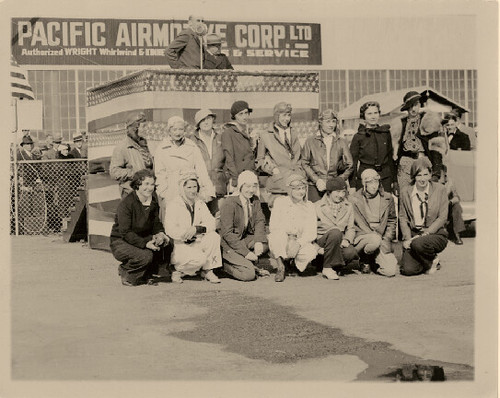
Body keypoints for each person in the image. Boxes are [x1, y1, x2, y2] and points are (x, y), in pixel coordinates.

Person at [109, 169, 173, 286]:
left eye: (152, 184)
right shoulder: (127, 203)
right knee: (145, 256)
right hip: (121, 241)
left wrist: (160, 233)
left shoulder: (152, 201)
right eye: (146, 184)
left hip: (141, 237)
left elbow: (156, 223)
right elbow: (125, 232)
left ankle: (150, 273)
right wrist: (145, 244)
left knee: (167, 242)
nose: (150, 188)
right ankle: (126, 271)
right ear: (138, 185)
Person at [164, 171, 222, 284]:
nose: (192, 190)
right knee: (200, 259)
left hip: (197, 240)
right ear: (182, 188)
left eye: (195, 187)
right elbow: (170, 229)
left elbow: (211, 223)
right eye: (189, 187)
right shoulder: (174, 204)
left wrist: (197, 229)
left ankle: (207, 270)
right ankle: (176, 270)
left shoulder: (199, 202)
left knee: (213, 237)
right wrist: (186, 234)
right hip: (181, 244)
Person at [399, 158, 448, 276]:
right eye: (419, 175)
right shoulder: (405, 191)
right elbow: (402, 217)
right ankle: (429, 260)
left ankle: (430, 257)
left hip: (435, 234)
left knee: (418, 244)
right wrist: (406, 238)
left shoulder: (440, 189)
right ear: (413, 176)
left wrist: (426, 233)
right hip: (414, 234)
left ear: (430, 174)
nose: (422, 179)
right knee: (408, 270)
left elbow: (442, 217)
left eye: (426, 174)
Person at [220, 170, 270, 281]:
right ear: (240, 186)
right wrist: (246, 253)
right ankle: (224, 267)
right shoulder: (230, 203)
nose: (251, 190)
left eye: (254, 186)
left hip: (243, 239)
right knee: (248, 275)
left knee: (266, 242)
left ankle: (246, 262)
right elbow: (227, 234)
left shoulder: (255, 200)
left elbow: (260, 220)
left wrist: (258, 241)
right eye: (247, 186)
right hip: (228, 244)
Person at [154, 116, 215, 205]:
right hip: (171, 190)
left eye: (181, 129)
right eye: (174, 130)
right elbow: (160, 174)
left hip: (190, 190)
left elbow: (201, 170)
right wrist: (163, 193)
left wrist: (208, 190)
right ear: (169, 131)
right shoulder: (162, 148)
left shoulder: (192, 146)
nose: (178, 133)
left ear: (184, 131)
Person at [268, 174, 318, 282]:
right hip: (283, 239)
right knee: (276, 237)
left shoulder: (309, 206)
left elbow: (311, 232)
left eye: (303, 188)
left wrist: (298, 243)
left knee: (310, 252)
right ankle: (281, 266)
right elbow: (274, 226)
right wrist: (288, 240)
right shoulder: (280, 202)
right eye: (297, 189)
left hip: (299, 240)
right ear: (290, 190)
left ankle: (293, 264)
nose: (301, 192)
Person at [349, 169, 398, 277]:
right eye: (370, 182)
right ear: (363, 183)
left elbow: (391, 221)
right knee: (374, 240)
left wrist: (387, 239)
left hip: (381, 237)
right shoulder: (353, 199)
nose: (374, 186)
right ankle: (364, 258)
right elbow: (351, 223)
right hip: (362, 237)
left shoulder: (387, 198)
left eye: (376, 182)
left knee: (390, 271)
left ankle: (373, 261)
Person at [256, 102, 304, 205]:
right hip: (278, 186)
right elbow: (259, 160)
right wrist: (273, 170)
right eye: (283, 115)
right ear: (276, 116)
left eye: (289, 115)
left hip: (296, 185)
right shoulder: (265, 135)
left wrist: (300, 173)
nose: (286, 119)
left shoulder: (293, 133)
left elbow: (299, 157)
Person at [301, 109, 353, 202]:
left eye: (333, 121)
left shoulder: (342, 141)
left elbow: (350, 165)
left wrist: (338, 181)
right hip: (315, 186)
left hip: (335, 187)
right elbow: (304, 163)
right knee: (315, 213)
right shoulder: (310, 141)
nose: (331, 125)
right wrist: (316, 180)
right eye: (328, 121)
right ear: (320, 122)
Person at [315, 177, 358, 280]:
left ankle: (334, 265)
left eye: (343, 192)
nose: (341, 195)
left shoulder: (348, 206)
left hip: (340, 241)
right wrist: (316, 248)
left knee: (350, 252)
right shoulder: (316, 206)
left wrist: (347, 240)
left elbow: (351, 228)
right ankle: (327, 267)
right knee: (335, 232)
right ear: (329, 192)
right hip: (322, 242)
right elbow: (311, 230)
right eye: (338, 192)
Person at [349, 101, 397, 194]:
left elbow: (390, 158)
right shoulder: (358, 136)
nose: (373, 116)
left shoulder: (385, 133)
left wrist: (394, 181)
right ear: (364, 116)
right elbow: (353, 163)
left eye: (376, 113)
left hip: (384, 178)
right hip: (365, 178)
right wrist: (352, 185)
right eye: (369, 113)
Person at [188, 109, 227, 215]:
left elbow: (228, 160)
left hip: (219, 187)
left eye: (208, 119)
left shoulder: (221, 137)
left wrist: (225, 178)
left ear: (213, 120)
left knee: (219, 219)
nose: (206, 122)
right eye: (202, 120)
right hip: (200, 189)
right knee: (202, 221)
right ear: (198, 124)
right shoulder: (191, 141)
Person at [109, 112, 154, 198]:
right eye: (143, 126)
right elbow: (114, 172)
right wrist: (135, 173)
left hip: (147, 192)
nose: (147, 129)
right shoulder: (122, 147)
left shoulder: (144, 144)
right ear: (135, 128)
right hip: (131, 193)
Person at [392, 91, 427, 192]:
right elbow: (394, 153)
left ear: (420, 105)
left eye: (415, 105)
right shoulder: (400, 124)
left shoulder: (426, 121)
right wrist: (394, 179)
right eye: (410, 106)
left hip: (422, 163)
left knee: (422, 197)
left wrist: (436, 173)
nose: (413, 109)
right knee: (404, 196)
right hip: (404, 165)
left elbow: (436, 149)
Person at [221, 101, 256, 193]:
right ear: (234, 116)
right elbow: (229, 159)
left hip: (250, 177)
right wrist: (235, 180)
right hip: (238, 179)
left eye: (246, 113)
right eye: (241, 114)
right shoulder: (228, 133)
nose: (244, 117)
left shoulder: (249, 132)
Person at [437, 164, 466, 245]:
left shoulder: (450, 181)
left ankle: (457, 235)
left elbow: (457, 197)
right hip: (436, 207)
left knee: (457, 207)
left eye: (443, 173)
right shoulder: (433, 181)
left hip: (447, 206)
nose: (442, 175)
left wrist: (450, 202)